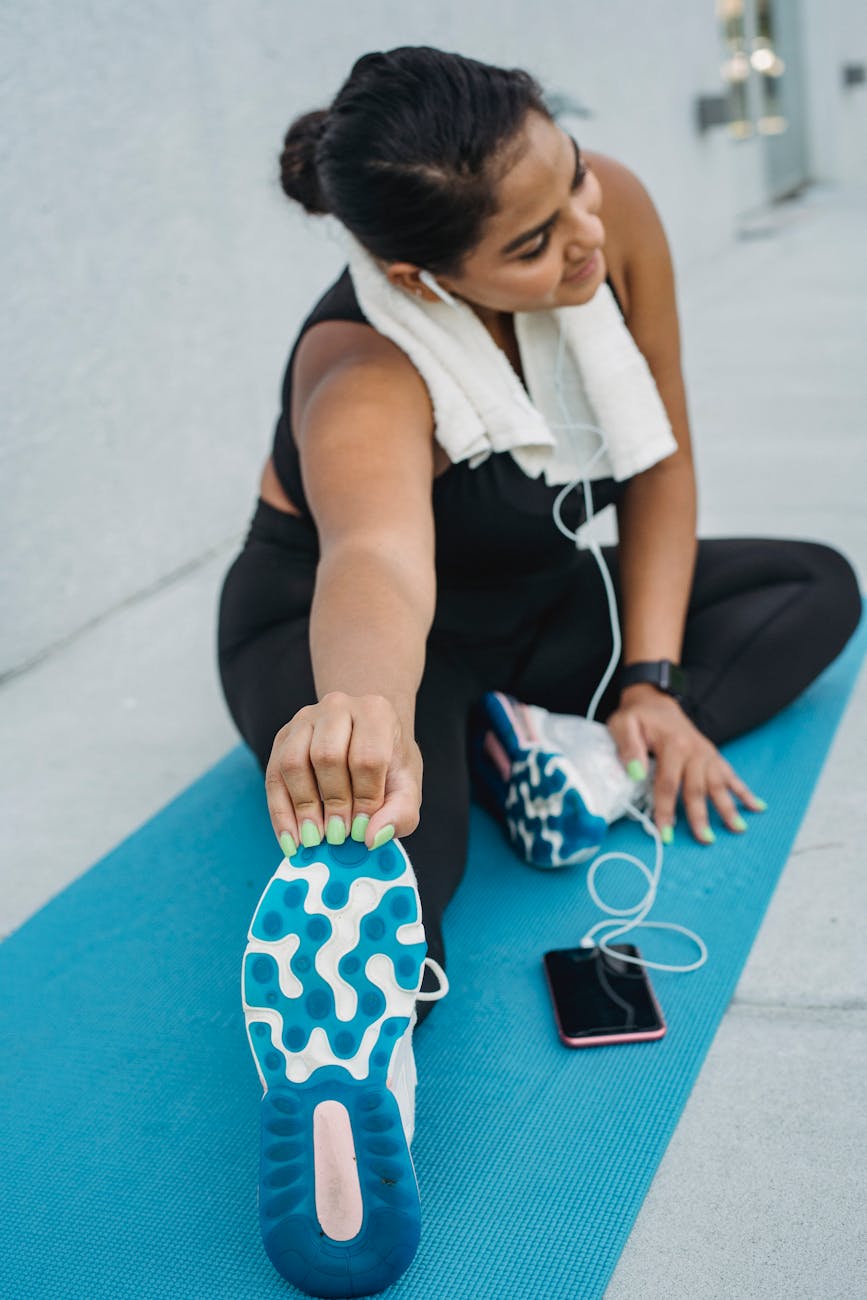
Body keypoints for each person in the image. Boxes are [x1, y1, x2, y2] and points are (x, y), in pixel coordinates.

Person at [217, 46, 862, 1297]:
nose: (580, 239)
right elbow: (381, 570)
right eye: (528, 245)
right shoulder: (361, 366)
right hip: (342, 630)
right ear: (421, 275)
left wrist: (653, 681)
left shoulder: (603, 211)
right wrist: (361, 720)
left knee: (814, 586)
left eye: (570, 178)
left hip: (537, 593)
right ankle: (369, 1060)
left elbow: (660, 457)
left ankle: (573, 750)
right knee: (393, 835)